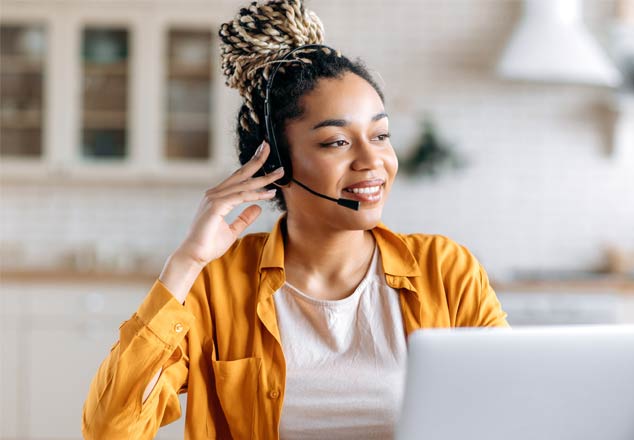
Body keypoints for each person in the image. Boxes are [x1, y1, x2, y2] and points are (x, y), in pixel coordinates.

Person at [81, 0, 509, 439]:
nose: (372, 161)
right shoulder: (216, 283)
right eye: (337, 142)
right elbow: (110, 429)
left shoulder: (446, 270)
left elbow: (511, 408)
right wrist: (187, 261)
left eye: (381, 135)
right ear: (277, 165)